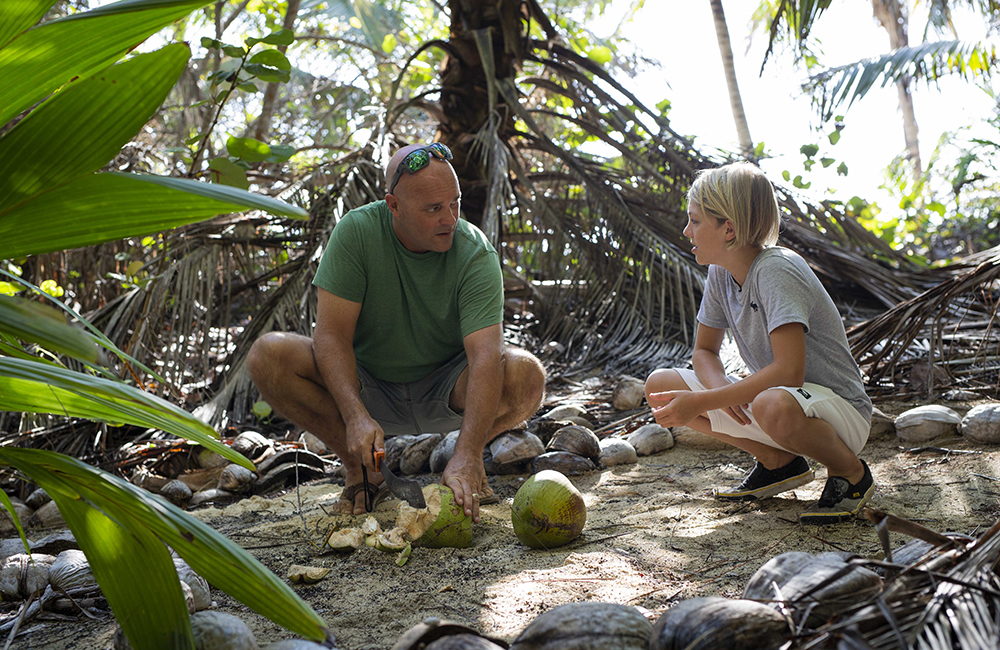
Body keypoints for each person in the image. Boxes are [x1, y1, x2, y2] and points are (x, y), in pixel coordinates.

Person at [248, 142, 546, 522]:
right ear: (394, 206)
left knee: (526, 374)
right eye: (433, 209)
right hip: (368, 386)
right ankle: (362, 468)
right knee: (268, 355)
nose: (449, 219)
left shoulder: (474, 252)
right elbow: (331, 337)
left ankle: (462, 456)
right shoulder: (357, 233)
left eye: (454, 203)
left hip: (449, 390)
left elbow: (486, 356)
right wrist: (355, 414)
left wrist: (469, 453)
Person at [644, 162, 874, 525]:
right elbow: (704, 352)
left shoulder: (776, 269)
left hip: (839, 414)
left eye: (695, 221)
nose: (687, 230)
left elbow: (789, 371)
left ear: (728, 229)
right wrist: (720, 389)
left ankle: (850, 473)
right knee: (661, 386)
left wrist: (706, 400)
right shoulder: (720, 273)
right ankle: (778, 463)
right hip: (782, 406)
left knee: (770, 401)